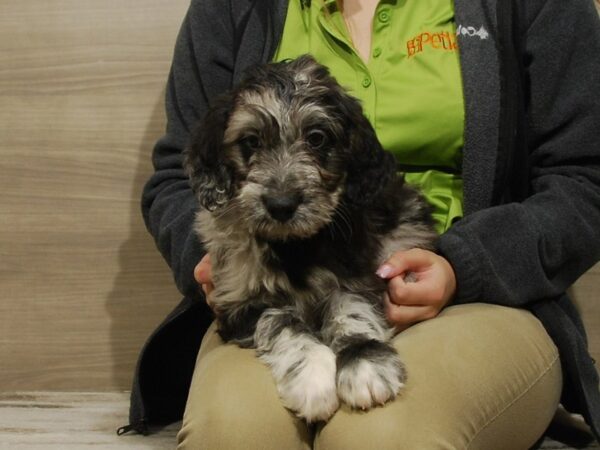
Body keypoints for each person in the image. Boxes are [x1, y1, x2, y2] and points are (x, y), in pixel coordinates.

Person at [123, 0, 600, 447]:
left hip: (477, 298)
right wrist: (213, 262)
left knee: (379, 434)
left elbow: (586, 183)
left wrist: (465, 264)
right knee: (234, 431)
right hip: (268, 293)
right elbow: (180, 176)